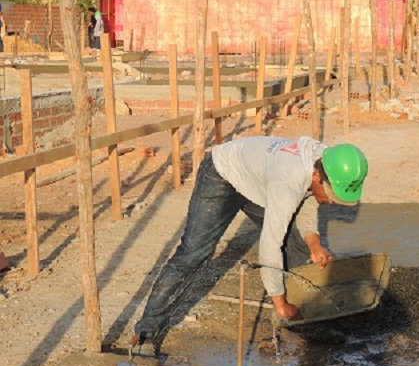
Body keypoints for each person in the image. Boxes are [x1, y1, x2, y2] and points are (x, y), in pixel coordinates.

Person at [129, 135, 369, 352]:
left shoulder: (327, 160)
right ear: (317, 176)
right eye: (331, 195)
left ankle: (304, 319)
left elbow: (306, 197)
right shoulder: (288, 179)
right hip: (221, 174)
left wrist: (314, 245)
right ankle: (147, 332)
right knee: (193, 254)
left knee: (298, 245)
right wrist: (279, 303)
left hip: (256, 181)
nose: (331, 201)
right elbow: (270, 246)